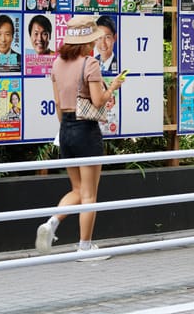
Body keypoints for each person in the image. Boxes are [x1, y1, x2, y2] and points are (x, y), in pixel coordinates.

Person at [36, 15, 125, 260]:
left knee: (76, 188)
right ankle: (84, 247)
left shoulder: (56, 64)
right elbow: (97, 100)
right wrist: (112, 87)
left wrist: (66, 128)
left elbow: (56, 102)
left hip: (64, 129)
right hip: (86, 130)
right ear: (87, 42)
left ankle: (52, 222)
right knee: (89, 194)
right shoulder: (90, 64)